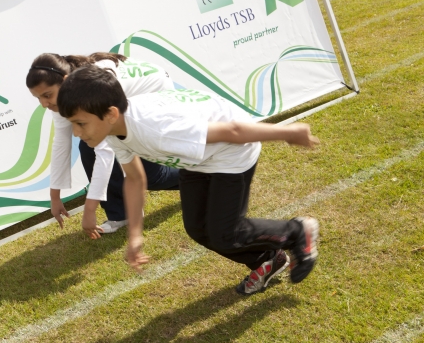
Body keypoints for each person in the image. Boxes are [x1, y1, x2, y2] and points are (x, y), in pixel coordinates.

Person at [56, 65, 320, 294]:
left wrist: (287, 132)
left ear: (111, 113)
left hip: (232, 153)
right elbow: (135, 179)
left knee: (227, 232)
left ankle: (297, 231)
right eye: (73, 125)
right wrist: (135, 236)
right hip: (198, 160)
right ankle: (267, 260)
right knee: (198, 229)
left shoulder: (156, 129)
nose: (77, 133)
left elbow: (233, 130)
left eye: (81, 124)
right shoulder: (114, 130)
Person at [26, 52, 180, 239]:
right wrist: (55, 197)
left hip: (156, 94)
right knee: (88, 145)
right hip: (131, 100)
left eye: (47, 95)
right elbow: (61, 143)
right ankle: (121, 214)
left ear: (65, 81)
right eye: (38, 98)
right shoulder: (67, 95)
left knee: (152, 176)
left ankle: (201, 173)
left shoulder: (94, 90)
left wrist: (89, 209)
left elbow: (105, 153)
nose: (43, 104)